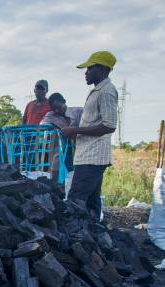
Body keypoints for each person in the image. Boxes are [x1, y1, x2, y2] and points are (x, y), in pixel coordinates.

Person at [60, 51, 118, 221]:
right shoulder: (97, 91)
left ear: (101, 69)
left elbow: (109, 125)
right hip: (88, 155)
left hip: (92, 156)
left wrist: (75, 131)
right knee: (92, 200)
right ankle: (96, 238)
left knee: (75, 199)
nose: (86, 73)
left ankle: (74, 238)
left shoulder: (106, 92)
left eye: (89, 69)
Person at [40, 93, 83, 190]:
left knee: (77, 176)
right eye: (54, 109)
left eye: (59, 107)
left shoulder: (78, 111)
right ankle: (57, 189)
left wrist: (74, 131)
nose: (57, 111)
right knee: (58, 167)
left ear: (64, 102)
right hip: (62, 150)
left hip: (80, 148)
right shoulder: (51, 115)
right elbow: (43, 124)